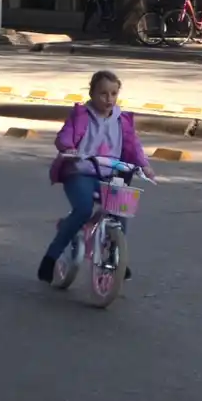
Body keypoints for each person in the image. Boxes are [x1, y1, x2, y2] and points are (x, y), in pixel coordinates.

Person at [38, 70, 153, 283]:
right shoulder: (81, 116)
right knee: (83, 209)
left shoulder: (122, 120)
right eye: (103, 94)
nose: (109, 99)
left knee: (121, 211)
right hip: (80, 172)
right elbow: (65, 136)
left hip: (112, 173)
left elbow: (133, 146)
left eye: (113, 93)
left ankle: (118, 259)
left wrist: (144, 166)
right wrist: (68, 148)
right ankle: (51, 257)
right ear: (91, 93)